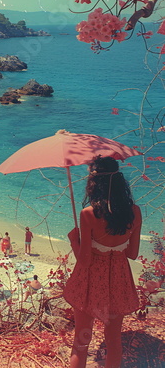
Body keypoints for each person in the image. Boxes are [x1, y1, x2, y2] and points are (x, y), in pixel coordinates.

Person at [63, 156, 142, 368]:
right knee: (114, 341)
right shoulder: (134, 212)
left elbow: (85, 261)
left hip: (89, 281)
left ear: (93, 183)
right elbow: (132, 254)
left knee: (81, 341)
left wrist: (73, 241)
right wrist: (115, 247)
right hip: (118, 278)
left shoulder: (88, 214)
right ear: (119, 181)